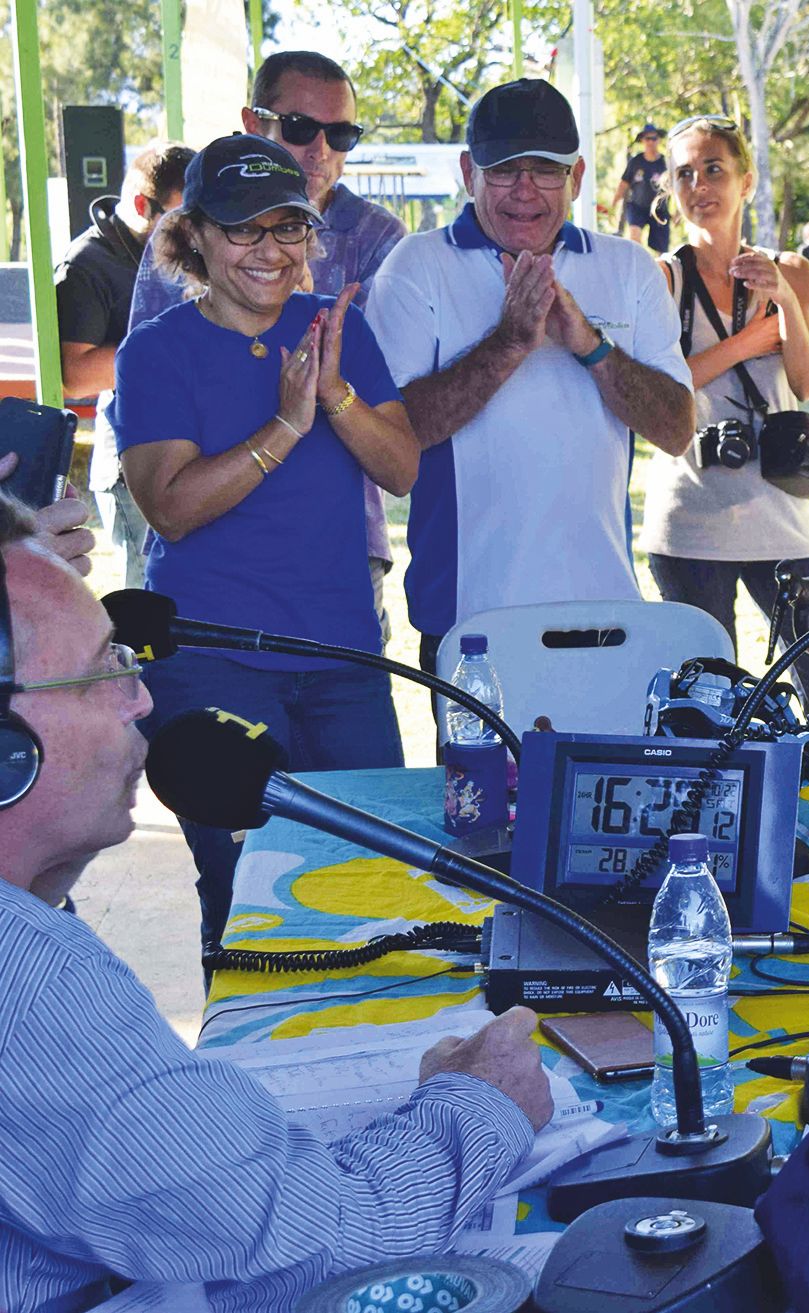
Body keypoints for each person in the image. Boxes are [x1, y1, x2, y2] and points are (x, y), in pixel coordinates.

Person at [0, 493, 551, 1312]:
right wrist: (480, 1104)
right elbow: (320, 1245)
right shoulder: (31, 977)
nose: (142, 698)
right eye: (107, 668)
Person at [109, 135, 417, 953]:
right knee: (249, 895)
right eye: (245, 229)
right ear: (196, 234)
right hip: (212, 661)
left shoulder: (335, 329)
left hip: (342, 656)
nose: (270, 250)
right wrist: (285, 425)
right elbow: (170, 507)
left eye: (289, 229)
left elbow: (403, 469)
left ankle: (363, 1066)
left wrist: (337, 393)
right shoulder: (156, 351)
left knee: (376, 882)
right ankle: (245, 1081)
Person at [365, 79, 692, 685]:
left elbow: (676, 429)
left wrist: (591, 346)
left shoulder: (626, 268)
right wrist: (510, 341)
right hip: (470, 620)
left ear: (577, 176)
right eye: (503, 170)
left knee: (593, 783)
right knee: (481, 786)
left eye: (545, 171)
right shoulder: (416, 265)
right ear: (469, 172)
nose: (524, 192)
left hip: (604, 609)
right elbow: (399, 435)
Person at [128, 51, 404, 636]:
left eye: (342, 134)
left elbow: (398, 440)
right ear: (254, 122)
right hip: (207, 575)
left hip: (338, 560)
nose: (320, 150)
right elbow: (151, 379)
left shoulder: (378, 237)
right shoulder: (175, 270)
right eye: (301, 128)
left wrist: (327, 375)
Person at [633, 114, 809, 710]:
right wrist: (747, 343)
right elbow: (661, 389)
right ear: (670, 190)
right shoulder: (662, 278)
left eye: (714, 169)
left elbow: (805, 381)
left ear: (745, 182)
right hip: (690, 519)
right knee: (704, 705)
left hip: (781, 511)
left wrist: (782, 301)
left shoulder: (792, 270)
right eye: (685, 173)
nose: (700, 185)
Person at [53, 140, 193, 588]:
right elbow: (74, 376)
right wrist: (176, 342)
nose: (191, 232)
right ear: (140, 203)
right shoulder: (87, 264)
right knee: (149, 596)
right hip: (131, 467)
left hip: (186, 453)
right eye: (179, 218)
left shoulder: (169, 253)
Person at [613, 122, 667, 248]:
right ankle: (638, 265)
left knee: (661, 249)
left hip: (659, 210)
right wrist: (614, 204)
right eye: (648, 139)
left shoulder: (665, 163)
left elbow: (675, 187)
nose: (651, 142)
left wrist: (678, 211)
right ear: (642, 140)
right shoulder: (635, 162)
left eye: (654, 138)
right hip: (637, 207)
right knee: (634, 238)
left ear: (658, 140)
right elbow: (623, 184)